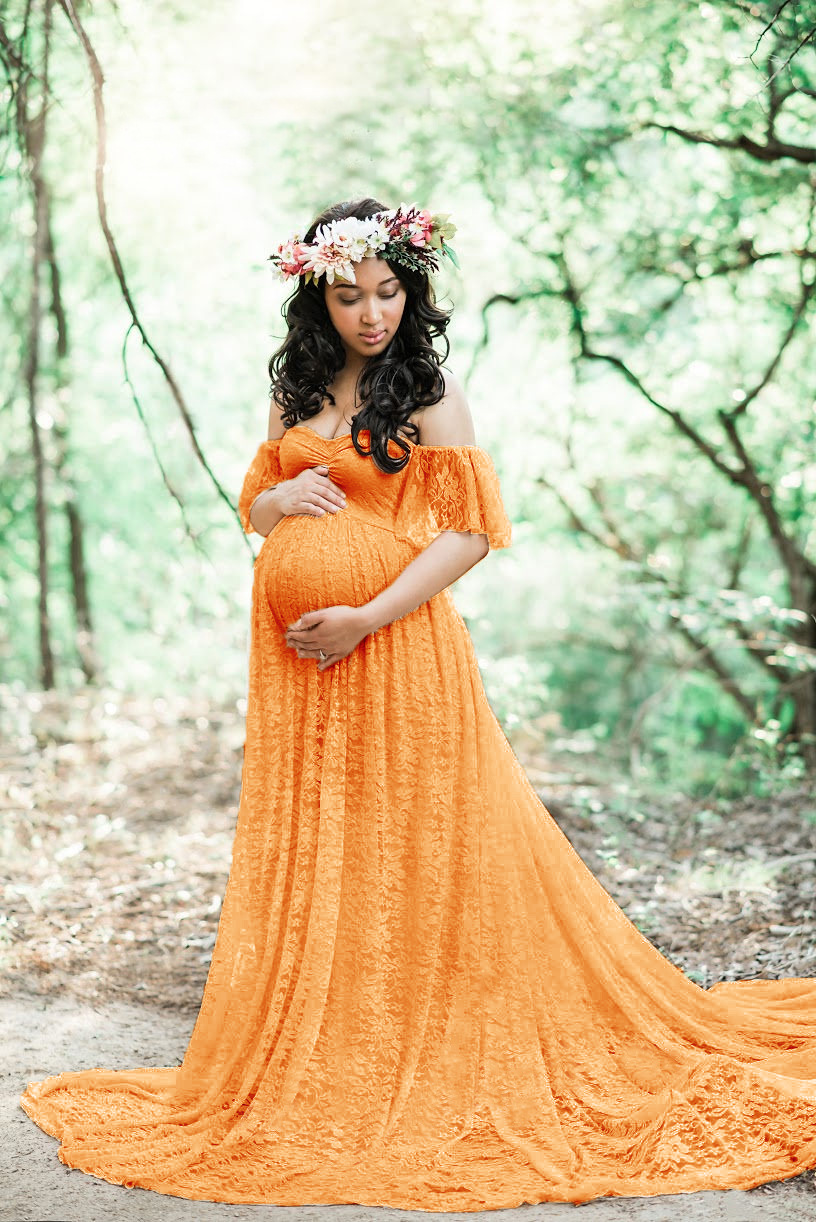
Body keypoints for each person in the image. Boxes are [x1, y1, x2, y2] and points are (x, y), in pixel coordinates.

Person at [19, 198, 816, 1211]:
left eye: (388, 292)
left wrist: (364, 614)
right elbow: (255, 507)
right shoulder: (297, 387)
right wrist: (277, 504)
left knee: (416, 840)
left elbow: (471, 533)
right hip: (301, 676)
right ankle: (339, 1032)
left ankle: (423, 1035)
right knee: (334, 842)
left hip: (397, 652)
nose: (371, 314)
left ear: (411, 288)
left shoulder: (428, 389)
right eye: (350, 296)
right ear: (317, 299)